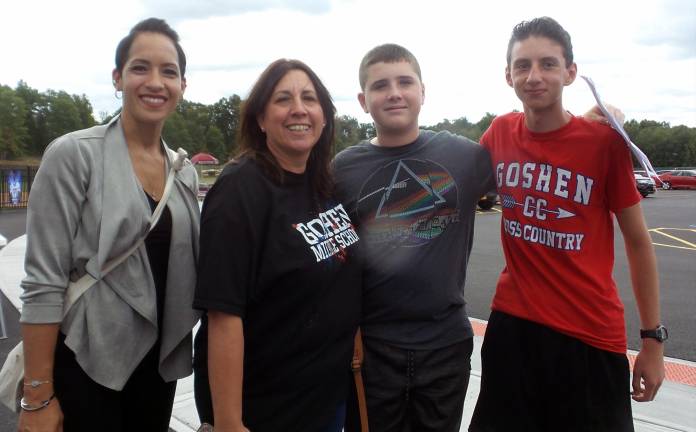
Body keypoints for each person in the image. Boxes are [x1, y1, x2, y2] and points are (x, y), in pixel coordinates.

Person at [469, 17, 665, 432]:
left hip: (589, 335)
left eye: (548, 64)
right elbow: (459, 192)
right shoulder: (499, 133)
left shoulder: (602, 143)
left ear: (570, 73)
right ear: (508, 76)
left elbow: (638, 242)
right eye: (522, 65)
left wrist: (652, 341)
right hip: (513, 329)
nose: (534, 76)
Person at [17, 18, 200, 432]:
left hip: (157, 369)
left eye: (168, 71)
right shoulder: (74, 155)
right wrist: (37, 396)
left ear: (183, 86)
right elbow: (43, 282)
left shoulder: (183, 172)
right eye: (140, 68)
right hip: (85, 361)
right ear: (118, 79)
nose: (155, 81)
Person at [193, 59, 362, 432]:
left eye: (310, 98)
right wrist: (228, 422)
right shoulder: (242, 188)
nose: (299, 109)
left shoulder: (324, 185)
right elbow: (222, 315)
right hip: (266, 409)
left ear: (324, 115)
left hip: (325, 401)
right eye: (283, 99)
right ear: (260, 119)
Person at [333, 43, 495, 432]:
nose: (394, 92)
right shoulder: (342, 169)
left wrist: (587, 121)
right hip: (371, 349)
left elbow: (534, 154)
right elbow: (331, 257)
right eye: (380, 85)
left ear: (423, 91)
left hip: (445, 343)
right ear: (362, 99)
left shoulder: (465, 156)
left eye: (405, 82)